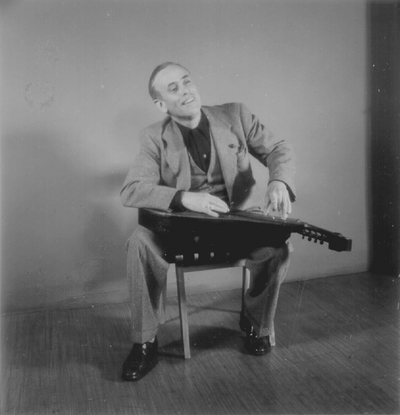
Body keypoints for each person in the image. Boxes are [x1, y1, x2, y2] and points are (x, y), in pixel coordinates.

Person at [120, 62, 296, 381]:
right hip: (184, 231)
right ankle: (144, 343)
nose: (186, 90)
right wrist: (185, 198)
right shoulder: (153, 138)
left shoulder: (236, 116)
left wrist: (279, 182)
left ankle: (257, 326)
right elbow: (131, 190)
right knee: (139, 244)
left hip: (239, 224)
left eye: (187, 81)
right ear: (161, 104)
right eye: (174, 88)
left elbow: (279, 149)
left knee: (278, 250)